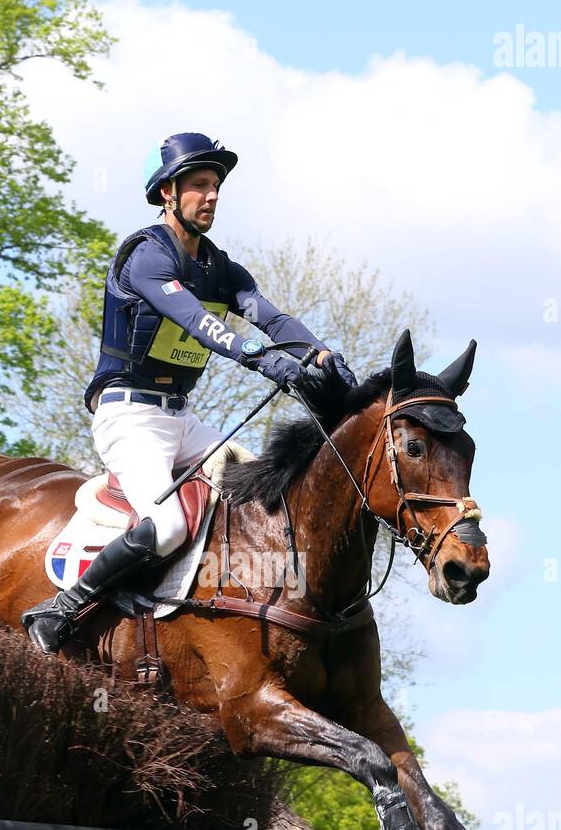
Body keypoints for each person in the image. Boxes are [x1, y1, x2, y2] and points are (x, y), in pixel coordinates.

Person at [23, 131, 359, 653]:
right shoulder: (146, 258)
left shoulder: (219, 268)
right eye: (200, 185)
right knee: (168, 525)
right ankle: (61, 610)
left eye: (217, 187)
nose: (212, 196)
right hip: (128, 416)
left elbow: (270, 317)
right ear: (167, 193)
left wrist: (320, 356)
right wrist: (264, 360)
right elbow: (199, 323)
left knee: (257, 489)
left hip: (180, 420)